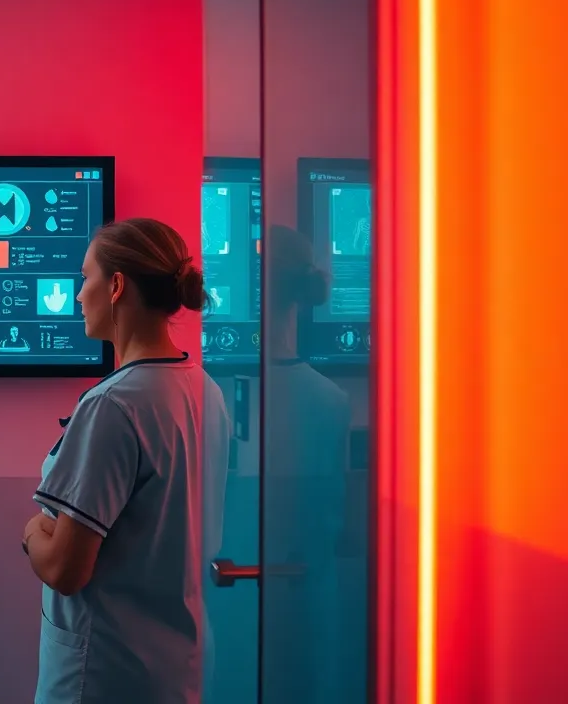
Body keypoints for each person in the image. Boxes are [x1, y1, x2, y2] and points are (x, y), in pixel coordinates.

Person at [22, 217, 231, 704]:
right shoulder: (205, 390)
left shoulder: (113, 406)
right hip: (177, 669)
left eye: (85, 278)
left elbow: (65, 570)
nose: (77, 295)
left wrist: (32, 532)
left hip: (104, 675)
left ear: (116, 286)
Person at [259, 224, 353, 703]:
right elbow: (334, 521)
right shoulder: (332, 401)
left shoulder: (222, 400)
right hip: (313, 598)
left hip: (235, 594)